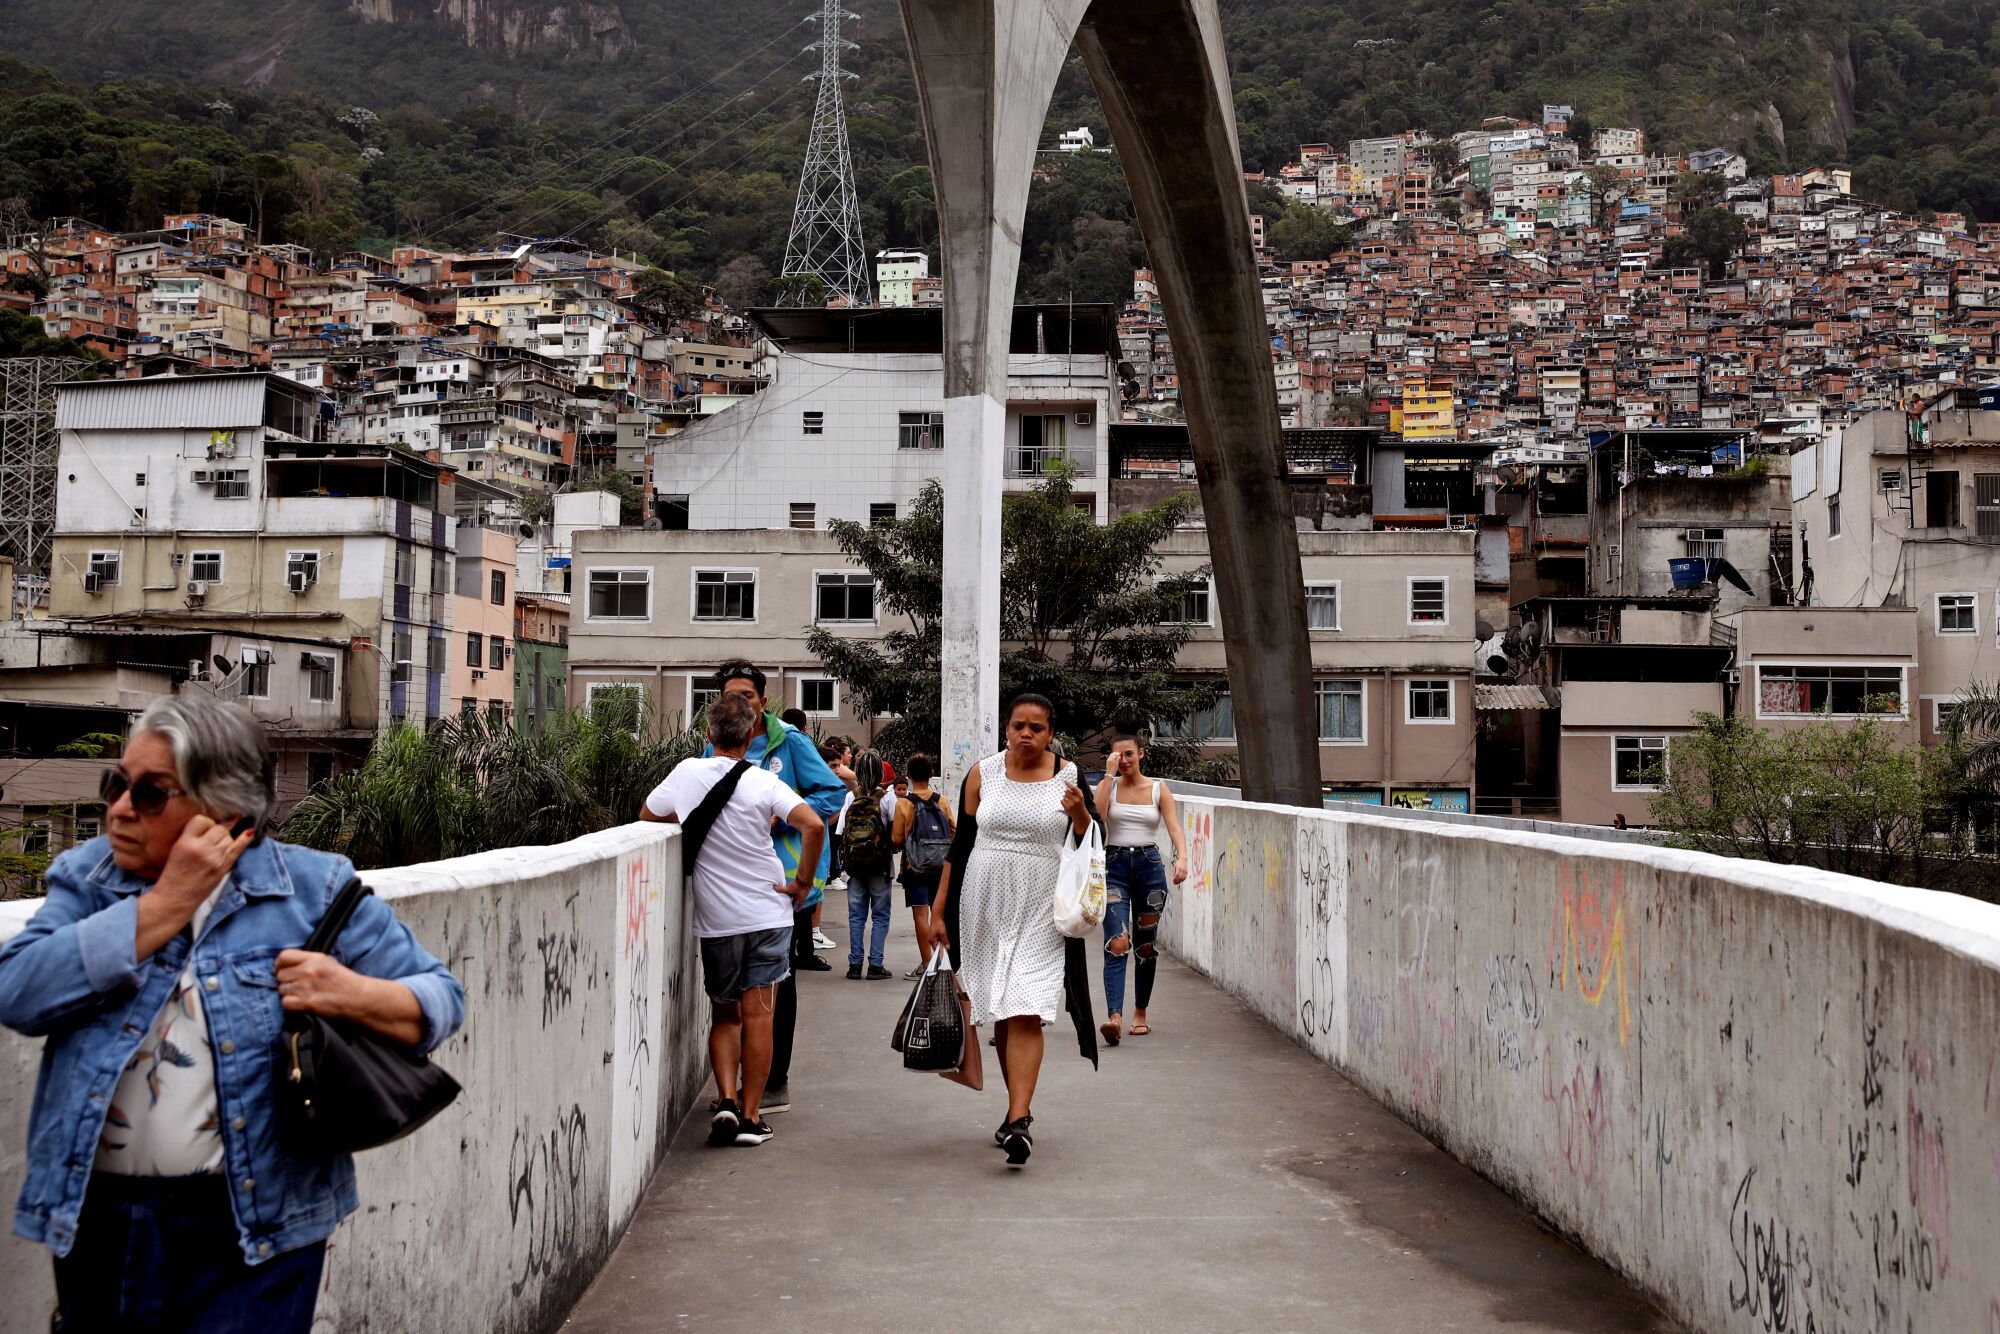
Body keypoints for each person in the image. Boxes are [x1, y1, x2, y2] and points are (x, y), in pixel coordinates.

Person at [0, 694, 465, 1333]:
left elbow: (440, 1000)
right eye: (117, 784)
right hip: (99, 1222)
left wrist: (349, 992)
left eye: (150, 793)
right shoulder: (91, 878)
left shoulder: (312, 890)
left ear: (223, 809)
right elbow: (18, 992)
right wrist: (164, 906)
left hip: (258, 1228)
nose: (119, 809)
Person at [641, 691, 824, 1148]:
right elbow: (814, 825)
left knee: (725, 1014)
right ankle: (751, 1115)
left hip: (717, 919)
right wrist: (802, 883)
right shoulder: (764, 782)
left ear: (708, 734)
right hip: (768, 913)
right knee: (760, 1015)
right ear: (749, 737)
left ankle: (724, 1099)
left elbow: (649, 815)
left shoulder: (686, 773)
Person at [930, 694, 1091, 1167]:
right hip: (983, 900)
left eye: (1036, 728)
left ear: (1050, 733)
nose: (1026, 734)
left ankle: (1020, 1119)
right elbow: (959, 844)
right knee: (998, 1003)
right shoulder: (983, 773)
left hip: (1041, 903)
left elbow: (1088, 841)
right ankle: (1013, 1112)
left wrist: (1081, 812)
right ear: (1006, 728)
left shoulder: (1069, 775)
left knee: (1025, 1003)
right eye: (1018, 725)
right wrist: (939, 910)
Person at [693, 662, 847, 1114]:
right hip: (729, 886)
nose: (741, 702)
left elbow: (831, 794)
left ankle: (774, 1081)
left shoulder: (790, 743)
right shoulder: (713, 749)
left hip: (786, 885)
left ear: (764, 700)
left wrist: (785, 815)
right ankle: (736, 1089)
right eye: (731, 695)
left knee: (778, 988)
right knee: (734, 997)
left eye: (748, 695)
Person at [1092, 733, 1188, 1046]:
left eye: (1130, 754)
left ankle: (1140, 1014)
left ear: (1141, 754)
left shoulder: (1159, 789)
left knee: (1145, 946)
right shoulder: (1110, 786)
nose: (1125, 761)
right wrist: (1108, 775)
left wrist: (1182, 859)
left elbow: (1174, 826)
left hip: (1149, 868)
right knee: (1118, 941)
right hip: (1114, 866)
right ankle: (1114, 1017)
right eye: (1118, 756)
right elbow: (1098, 815)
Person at [891, 754, 954, 978]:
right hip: (941, 867)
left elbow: (897, 839)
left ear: (907, 776)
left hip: (914, 867)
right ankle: (942, 962)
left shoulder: (904, 804)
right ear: (931, 774)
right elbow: (953, 830)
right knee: (940, 914)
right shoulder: (942, 801)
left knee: (921, 915)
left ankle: (927, 965)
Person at [841, 750, 895, 980]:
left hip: (854, 865)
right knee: (880, 916)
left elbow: (841, 832)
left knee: (856, 916)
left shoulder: (851, 796)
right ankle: (875, 965)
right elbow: (894, 832)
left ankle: (854, 965)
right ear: (881, 772)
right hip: (879, 865)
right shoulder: (888, 797)